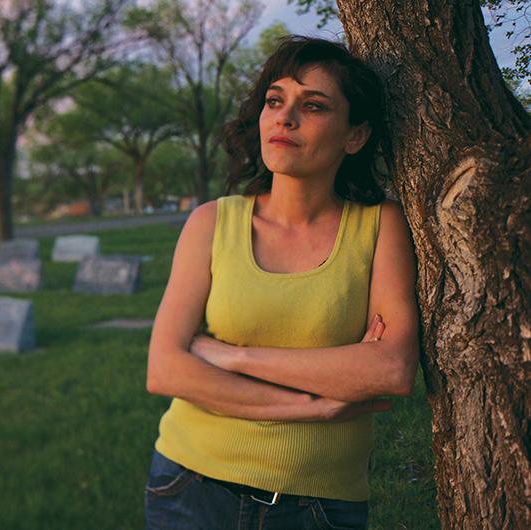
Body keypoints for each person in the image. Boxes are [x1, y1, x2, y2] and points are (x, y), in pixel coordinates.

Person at [144, 36, 420, 530]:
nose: (284, 117)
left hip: (319, 504)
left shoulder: (380, 226)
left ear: (354, 136)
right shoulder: (213, 222)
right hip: (190, 486)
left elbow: (391, 369)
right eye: (275, 100)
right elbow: (165, 369)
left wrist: (232, 355)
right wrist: (314, 407)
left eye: (312, 105)